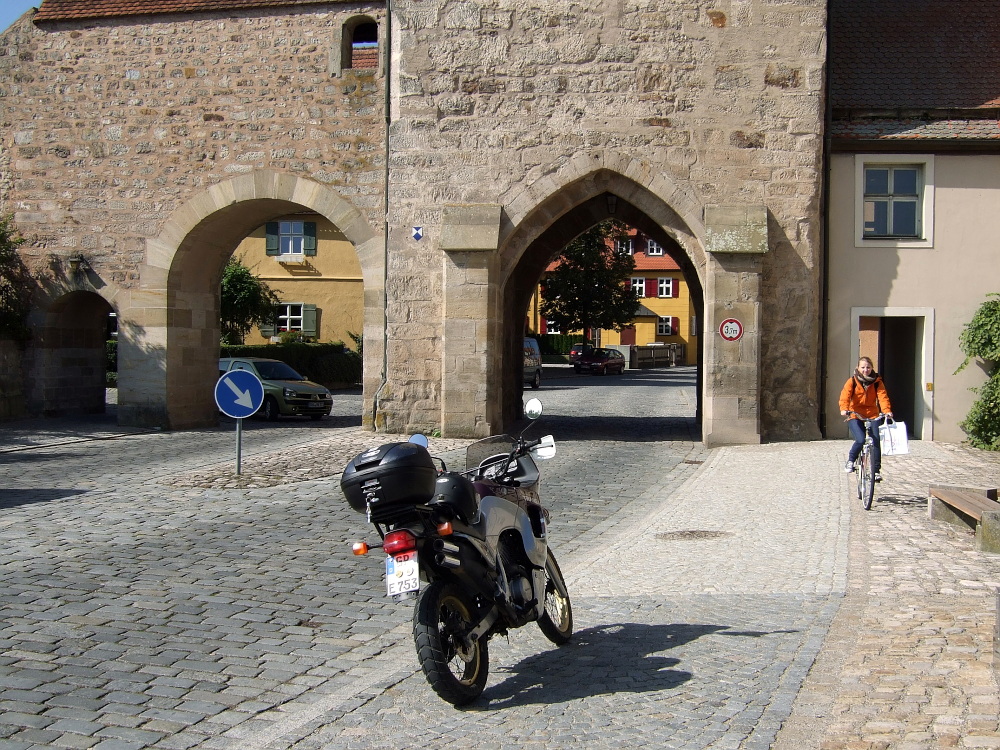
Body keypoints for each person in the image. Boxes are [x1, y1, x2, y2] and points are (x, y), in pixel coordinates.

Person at [839, 356, 893, 482]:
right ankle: (851, 460)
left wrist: (886, 411)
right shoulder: (852, 381)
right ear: (858, 368)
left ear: (872, 368)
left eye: (868, 367)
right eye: (863, 367)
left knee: (875, 440)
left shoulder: (877, 382)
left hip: (872, 414)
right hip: (855, 414)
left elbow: (883, 397)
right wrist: (844, 408)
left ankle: (876, 471)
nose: (865, 370)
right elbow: (845, 396)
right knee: (860, 439)